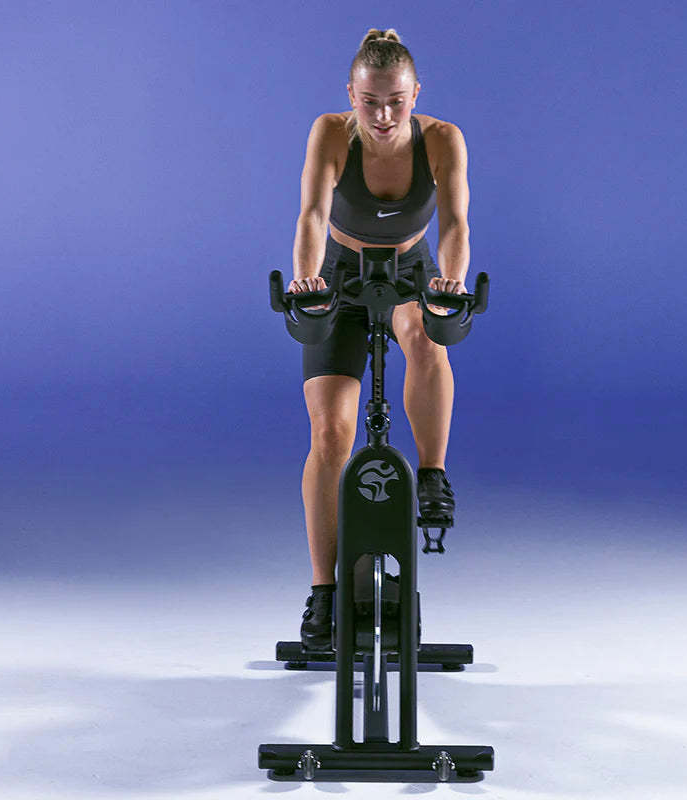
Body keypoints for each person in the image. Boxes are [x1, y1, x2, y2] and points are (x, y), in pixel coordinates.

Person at [289, 28, 471, 650]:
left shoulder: (442, 139)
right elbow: (313, 214)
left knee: (425, 334)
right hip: (338, 273)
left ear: (416, 94)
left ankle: (432, 475)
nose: (384, 115)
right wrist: (307, 278)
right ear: (351, 95)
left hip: (410, 270)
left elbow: (455, 223)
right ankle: (324, 593)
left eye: (396, 101)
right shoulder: (329, 132)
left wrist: (451, 281)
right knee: (330, 434)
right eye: (370, 102)